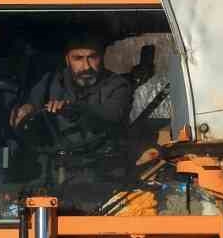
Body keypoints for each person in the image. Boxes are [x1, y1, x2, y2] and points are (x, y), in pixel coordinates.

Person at [10, 33, 134, 183]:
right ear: (67, 60)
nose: (86, 66)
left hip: (104, 173)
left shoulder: (117, 85)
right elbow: (30, 107)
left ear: (102, 57)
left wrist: (73, 108)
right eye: (78, 58)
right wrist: (26, 110)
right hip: (55, 171)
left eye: (92, 57)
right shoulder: (50, 82)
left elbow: (112, 115)